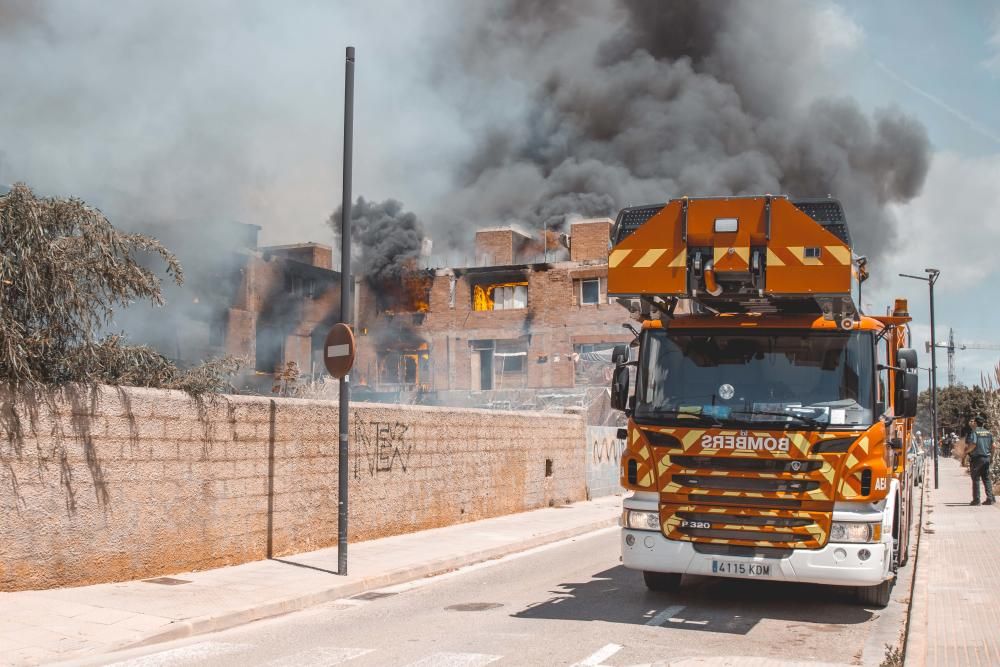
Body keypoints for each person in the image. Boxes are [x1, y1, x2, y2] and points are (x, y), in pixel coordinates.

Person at [965, 416, 995, 506]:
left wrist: (966, 452)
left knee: (976, 479)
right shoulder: (988, 433)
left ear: (976, 423)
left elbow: (973, 444)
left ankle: (976, 500)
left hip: (977, 458)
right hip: (986, 458)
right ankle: (990, 499)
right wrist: (991, 457)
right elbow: (993, 446)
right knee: (986, 479)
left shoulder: (975, 432)